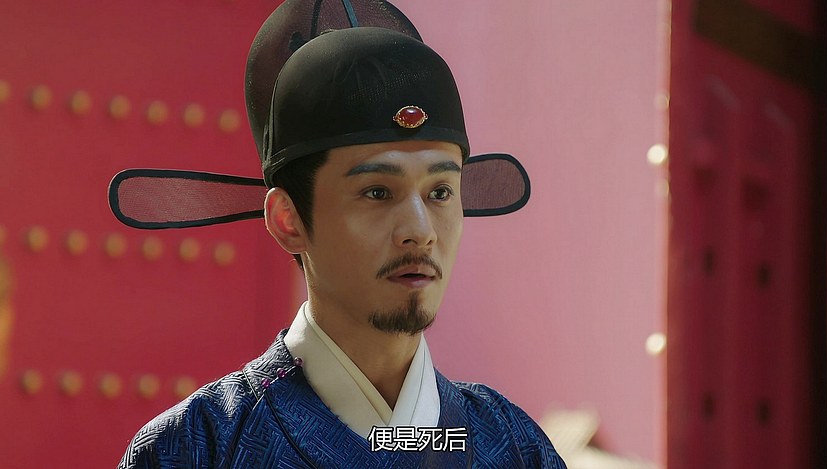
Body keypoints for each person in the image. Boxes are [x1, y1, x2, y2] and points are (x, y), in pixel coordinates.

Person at [114, 1, 565, 467]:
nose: (420, 231)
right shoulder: (197, 447)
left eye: (440, 192)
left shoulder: (514, 445)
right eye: (377, 192)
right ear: (288, 220)